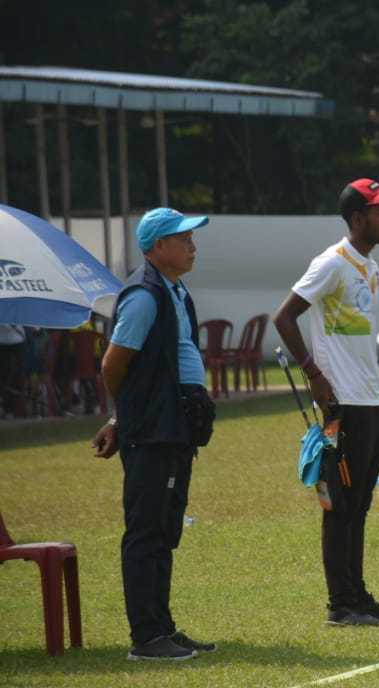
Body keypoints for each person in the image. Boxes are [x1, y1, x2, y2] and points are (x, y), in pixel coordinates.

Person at [273, 178, 379, 626]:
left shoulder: (370, 267)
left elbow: (362, 347)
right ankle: (340, 605)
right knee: (340, 506)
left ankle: (359, 596)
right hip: (341, 405)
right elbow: (284, 317)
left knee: (360, 505)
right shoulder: (332, 262)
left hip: (365, 403)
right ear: (357, 218)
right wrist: (314, 376)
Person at [91, 207, 217, 661]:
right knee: (146, 532)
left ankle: (163, 627)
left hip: (173, 425)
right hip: (155, 429)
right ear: (158, 246)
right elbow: (114, 364)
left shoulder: (174, 291)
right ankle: (146, 638)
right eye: (184, 238)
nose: (192, 245)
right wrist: (126, 420)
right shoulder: (145, 296)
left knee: (164, 529)